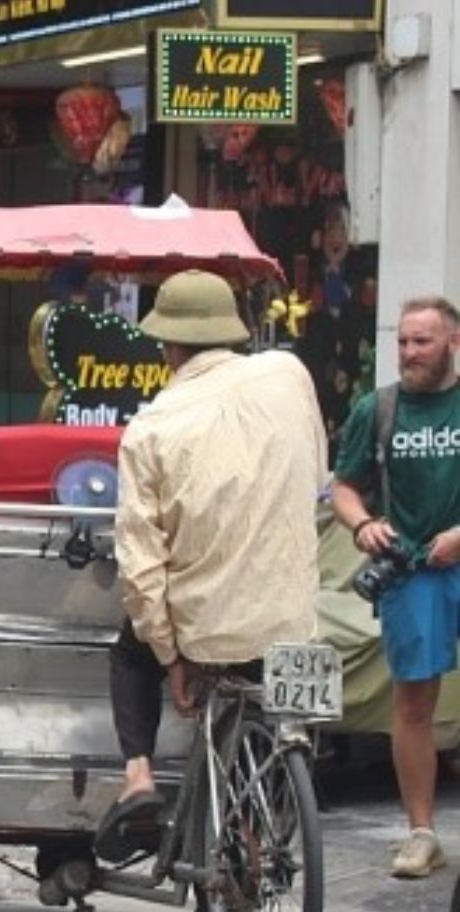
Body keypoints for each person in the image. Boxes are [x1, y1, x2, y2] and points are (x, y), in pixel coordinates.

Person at [94, 270, 326, 863]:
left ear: (168, 345)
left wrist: (169, 656)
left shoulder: (150, 427)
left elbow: (140, 566)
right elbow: (318, 476)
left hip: (208, 626)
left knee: (130, 650)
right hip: (291, 617)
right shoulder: (289, 375)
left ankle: (139, 776)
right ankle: (256, 825)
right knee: (281, 711)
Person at [330, 295, 460, 878]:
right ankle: (421, 833)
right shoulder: (377, 409)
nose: (408, 352)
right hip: (410, 571)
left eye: (422, 341)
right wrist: (363, 524)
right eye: (403, 341)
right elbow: (344, 488)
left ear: (451, 343)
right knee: (412, 704)